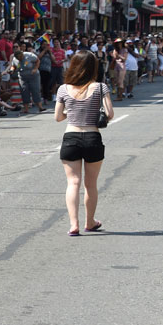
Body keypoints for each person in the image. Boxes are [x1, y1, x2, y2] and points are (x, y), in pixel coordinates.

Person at [55, 49, 115, 236]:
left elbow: (58, 117)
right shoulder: (100, 87)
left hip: (71, 137)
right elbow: (110, 114)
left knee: (73, 183)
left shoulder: (63, 89)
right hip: (92, 137)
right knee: (91, 184)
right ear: (93, 68)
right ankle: (90, 221)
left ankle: (74, 224)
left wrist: (72, 112)